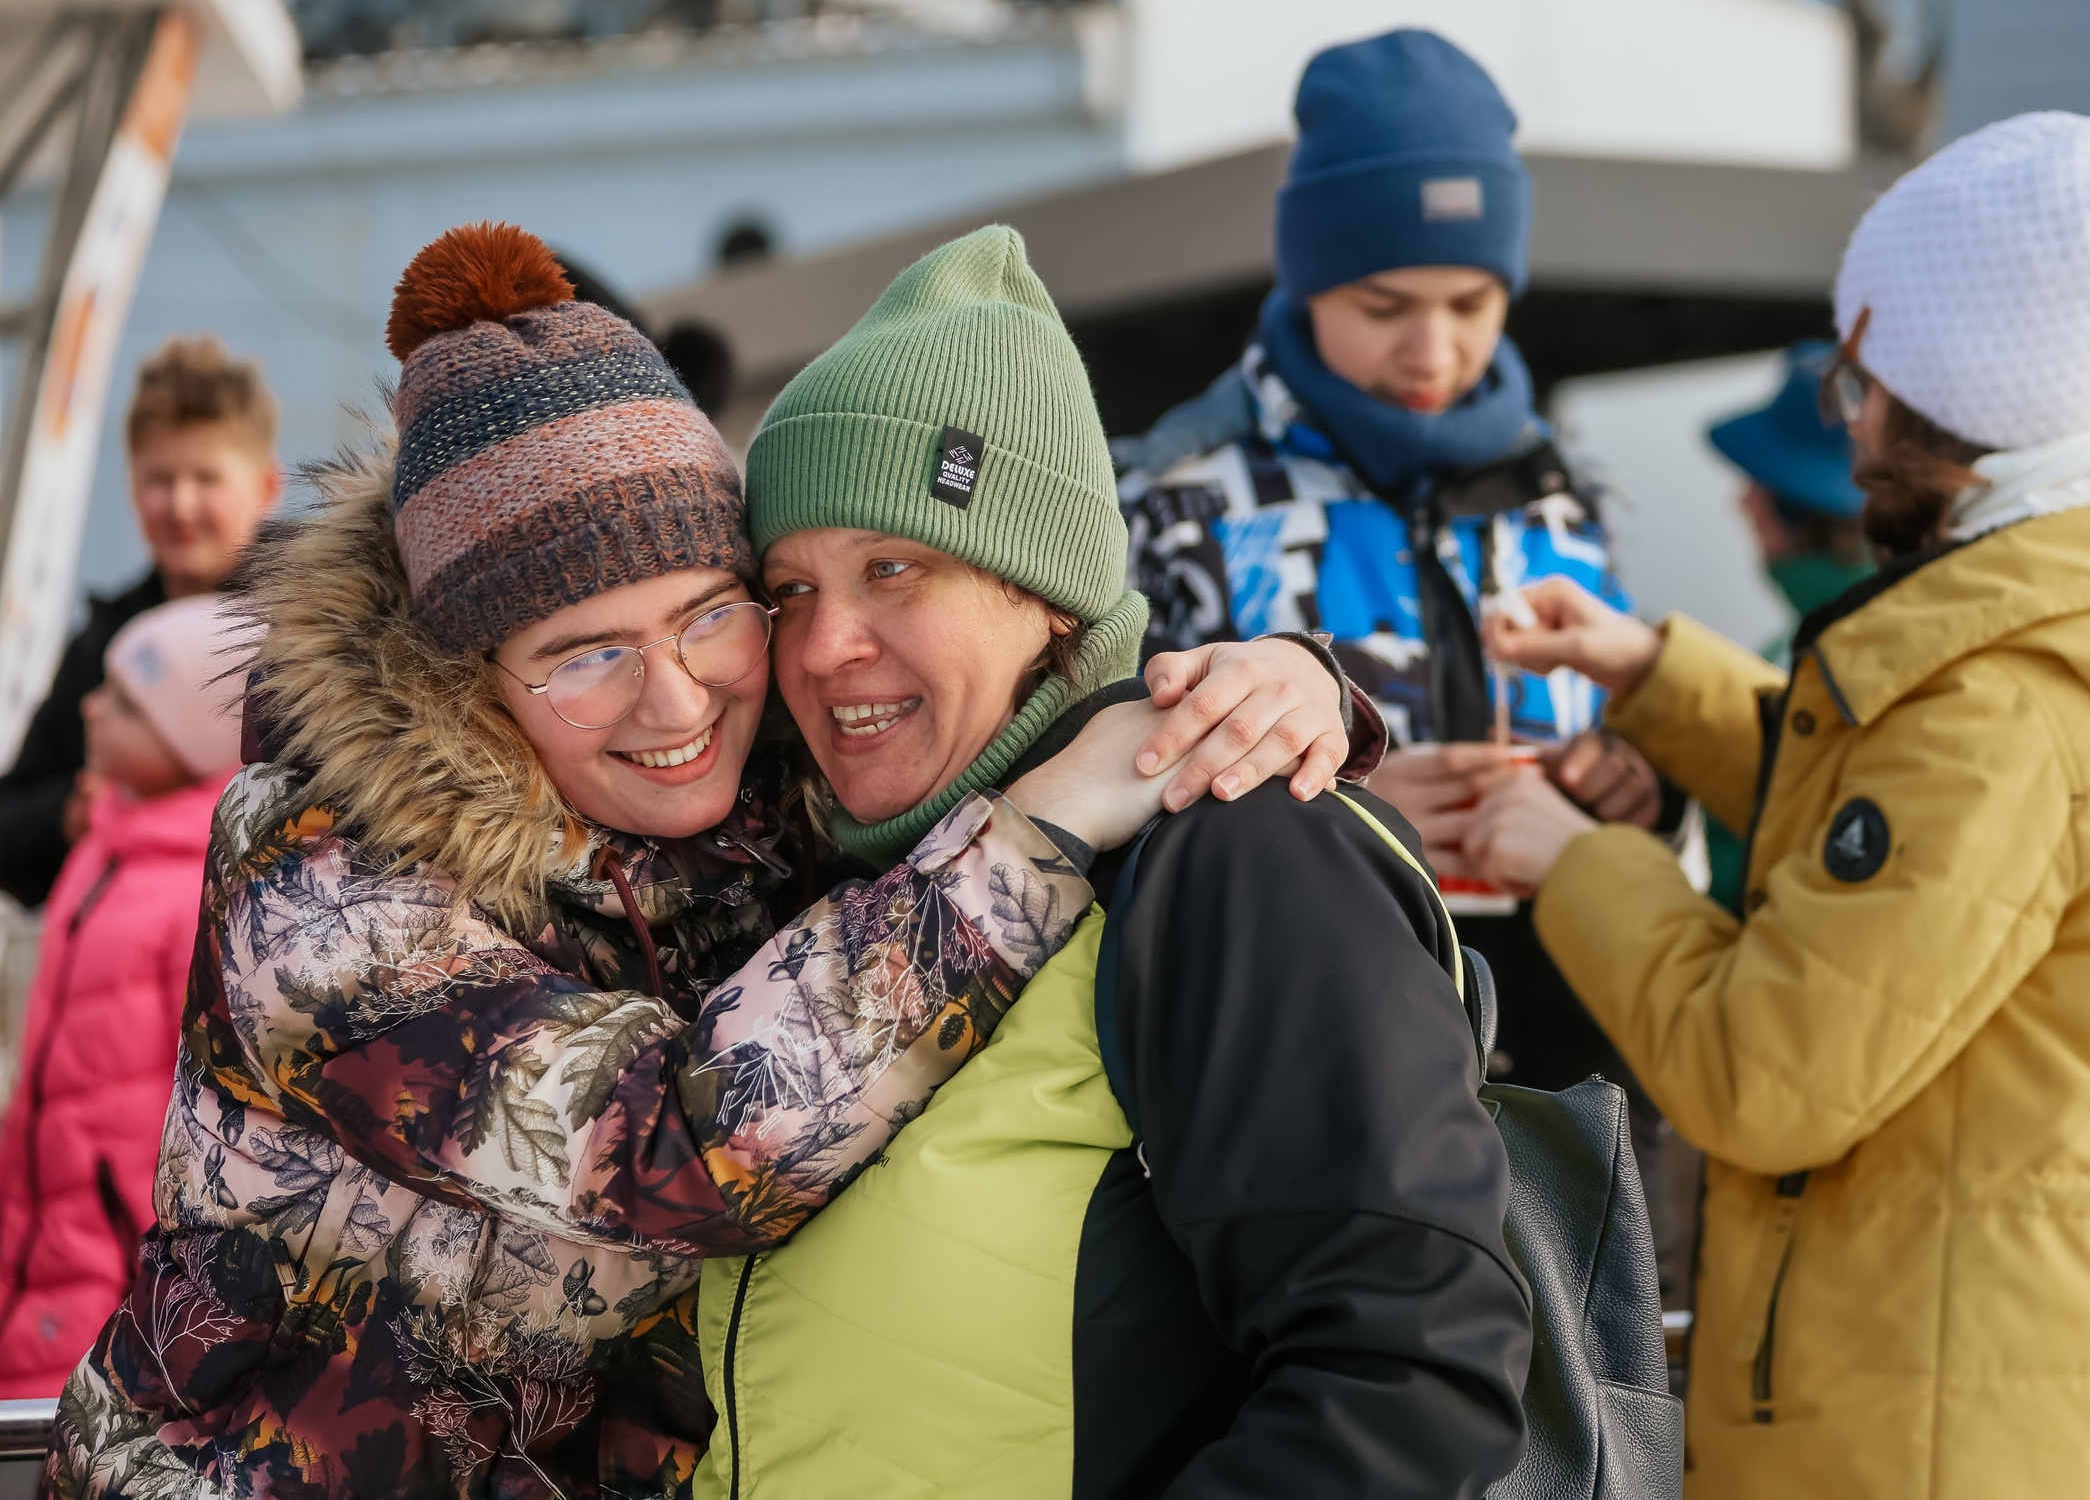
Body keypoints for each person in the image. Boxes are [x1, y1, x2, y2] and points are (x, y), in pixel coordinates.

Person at [48, 224, 1357, 1499]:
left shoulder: (758, 790)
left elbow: (981, 674)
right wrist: (1035, 837)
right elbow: (673, 1147)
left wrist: (1281, 684)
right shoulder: (323, 877)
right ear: (471, 676)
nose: (676, 702)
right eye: (586, 650)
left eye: (710, 614)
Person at [1460, 111, 2090, 1498]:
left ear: (1955, 393)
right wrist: (1652, 671)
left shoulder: (2005, 711)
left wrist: (1569, 856)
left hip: (1953, 1441)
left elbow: (1763, 1066)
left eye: (1863, 382)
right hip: (2087, 1408)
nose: (1854, 423)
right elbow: (1920, 855)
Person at [701, 224, 1533, 1498]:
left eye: (893, 568)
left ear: (1049, 596)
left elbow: (1407, 1389)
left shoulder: (1232, 849)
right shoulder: (832, 884)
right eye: (790, 589)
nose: (823, 650)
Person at [1121, 26, 1665, 1109]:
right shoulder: (1182, 499)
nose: (1431, 352)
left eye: (1471, 305)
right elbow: (1124, 802)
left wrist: (1635, 787)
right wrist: (1348, 811)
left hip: (1576, 1056)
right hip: (1325, 1056)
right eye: (1383, 307)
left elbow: (1630, 746)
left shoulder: (1560, 494)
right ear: (1307, 280)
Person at [0, 596, 262, 1399]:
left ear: (188, 735)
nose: (89, 704)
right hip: (38, 1228)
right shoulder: (103, 845)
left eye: (122, 697)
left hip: (122, 1267)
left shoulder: (205, 884)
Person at [0, 338, 281, 907]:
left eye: (205, 478)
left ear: (266, 488)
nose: (179, 503)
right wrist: (70, 815)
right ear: (131, 488)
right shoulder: (103, 646)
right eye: (160, 480)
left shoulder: (306, 635)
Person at [1699, 343, 1871, 914]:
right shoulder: (1812, 634)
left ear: (1799, 508)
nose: (1742, 502)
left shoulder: (1835, 653)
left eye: (1759, 482)